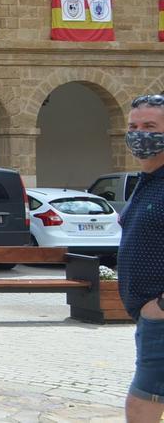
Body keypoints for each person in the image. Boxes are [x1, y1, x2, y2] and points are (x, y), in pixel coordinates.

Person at [119, 94, 164, 422]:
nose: (139, 134)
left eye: (150, 127)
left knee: (142, 406)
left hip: (160, 318)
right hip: (149, 318)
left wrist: (160, 306)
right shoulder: (147, 181)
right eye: (133, 126)